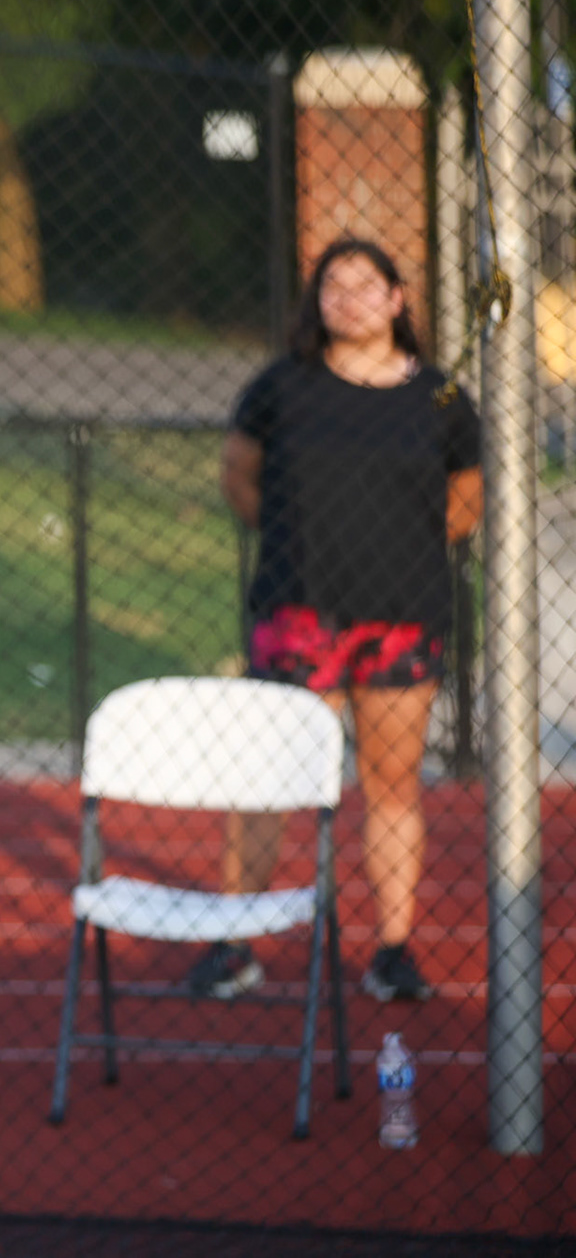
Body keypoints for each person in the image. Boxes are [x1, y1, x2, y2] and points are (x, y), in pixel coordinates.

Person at [190, 238, 482, 1005]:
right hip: (298, 617)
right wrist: (301, 544)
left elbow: (466, 502)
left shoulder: (444, 398)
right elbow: (238, 477)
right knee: (266, 781)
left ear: (396, 300)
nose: (347, 298)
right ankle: (234, 945)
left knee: (390, 785)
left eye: (365, 285)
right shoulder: (280, 388)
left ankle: (392, 948)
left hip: (401, 617)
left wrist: (393, 550)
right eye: (332, 286)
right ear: (315, 301)